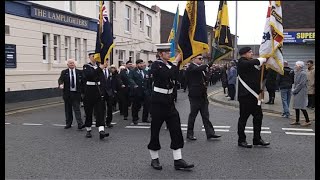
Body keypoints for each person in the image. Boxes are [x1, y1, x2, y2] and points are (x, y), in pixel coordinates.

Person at [147, 43, 194, 171]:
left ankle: (178, 159)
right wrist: (176, 62)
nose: (169, 54)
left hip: (169, 102)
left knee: (176, 129)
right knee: (155, 130)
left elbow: (176, 77)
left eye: (170, 52)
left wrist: (179, 64)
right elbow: (165, 75)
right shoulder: (156, 65)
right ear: (161, 54)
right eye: (167, 53)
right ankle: (154, 158)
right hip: (158, 101)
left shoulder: (169, 65)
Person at [237, 47, 270, 148]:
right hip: (245, 96)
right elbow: (249, 63)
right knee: (243, 119)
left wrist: (267, 68)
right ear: (244, 54)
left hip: (255, 96)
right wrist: (261, 59)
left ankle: (257, 139)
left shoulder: (251, 64)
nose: (252, 53)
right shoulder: (241, 62)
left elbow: (260, 77)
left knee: (258, 117)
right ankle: (241, 140)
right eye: (250, 52)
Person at [185, 54, 221, 141]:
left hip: (203, 95)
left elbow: (205, 78)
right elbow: (197, 69)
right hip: (195, 95)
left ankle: (210, 133)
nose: (201, 60)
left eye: (202, 58)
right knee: (193, 115)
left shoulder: (201, 68)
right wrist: (208, 64)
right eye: (200, 58)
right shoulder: (191, 67)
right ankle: (189, 134)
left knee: (205, 115)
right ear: (193, 59)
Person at [82, 51, 109, 139]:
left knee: (100, 112)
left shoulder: (99, 67)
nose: (94, 57)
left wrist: (104, 91)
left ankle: (101, 130)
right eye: (93, 56)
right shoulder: (86, 66)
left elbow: (102, 79)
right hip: (89, 91)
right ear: (89, 57)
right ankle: (88, 130)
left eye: (95, 56)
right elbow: (90, 76)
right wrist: (99, 69)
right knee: (88, 112)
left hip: (98, 90)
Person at [58, 59, 84, 130]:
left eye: (72, 63)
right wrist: (60, 84)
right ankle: (68, 123)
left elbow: (83, 82)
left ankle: (80, 124)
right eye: (70, 63)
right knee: (68, 110)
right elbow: (60, 80)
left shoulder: (79, 72)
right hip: (67, 94)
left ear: (75, 64)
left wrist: (83, 91)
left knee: (77, 109)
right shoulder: (64, 72)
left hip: (76, 93)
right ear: (67, 65)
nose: (71, 64)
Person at [128, 59, 150, 124]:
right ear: (137, 64)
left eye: (142, 63)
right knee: (136, 106)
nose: (142, 65)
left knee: (147, 105)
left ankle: (145, 118)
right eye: (140, 64)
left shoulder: (145, 71)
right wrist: (134, 85)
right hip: (137, 91)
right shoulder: (132, 71)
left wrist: (149, 89)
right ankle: (135, 118)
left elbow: (148, 81)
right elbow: (130, 79)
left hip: (145, 91)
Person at [290, 61, 311, 126]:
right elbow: (295, 83)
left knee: (302, 106)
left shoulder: (303, 73)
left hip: (301, 91)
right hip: (297, 91)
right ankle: (297, 120)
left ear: (299, 66)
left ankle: (307, 121)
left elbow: (301, 84)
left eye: (296, 65)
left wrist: (295, 90)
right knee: (296, 106)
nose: (295, 66)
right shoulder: (297, 72)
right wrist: (294, 89)